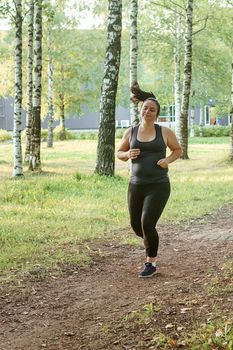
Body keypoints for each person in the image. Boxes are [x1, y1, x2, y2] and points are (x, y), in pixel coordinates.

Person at [117, 84, 182, 278]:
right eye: (145, 107)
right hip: (135, 185)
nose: (148, 111)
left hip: (158, 185)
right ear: (141, 109)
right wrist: (127, 153)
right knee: (136, 226)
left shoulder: (164, 132)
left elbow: (178, 150)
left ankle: (150, 263)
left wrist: (167, 160)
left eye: (152, 109)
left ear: (157, 114)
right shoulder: (131, 132)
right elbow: (119, 153)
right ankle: (150, 241)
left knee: (147, 223)